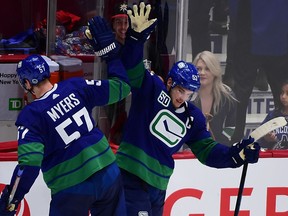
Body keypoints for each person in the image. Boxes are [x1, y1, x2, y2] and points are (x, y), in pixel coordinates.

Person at [111, 2, 260, 215]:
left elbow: (208, 151)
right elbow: (133, 70)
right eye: (180, 90)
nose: (183, 97)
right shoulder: (151, 90)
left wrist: (236, 155)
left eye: (189, 92)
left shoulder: (193, 117)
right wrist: (135, 41)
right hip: (130, 176)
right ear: (170, 83)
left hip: (158, 185)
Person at [0, 16, 130, 216]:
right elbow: (121, 88)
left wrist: (11, 200)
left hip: (72, 187)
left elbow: (30, 164)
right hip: (108, 171)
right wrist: (111, 53)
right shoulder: (76, 86)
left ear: (26, 84)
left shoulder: (31, 116)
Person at [227, 0, 288, 144]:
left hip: (249, 34)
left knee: (242, 92)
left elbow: (235, 8)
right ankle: (283, 138)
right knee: (280, 93)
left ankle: (237, 138)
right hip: (278, 35)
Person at [193, 50, 237, 145]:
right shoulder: (187, 96)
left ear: (215, 71)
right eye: (198, 69)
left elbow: (230, 127)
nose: (202, 73)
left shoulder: (228, 97)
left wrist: (220, 146)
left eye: (207, 69)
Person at [259, 80, 288, 150]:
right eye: (282, 93)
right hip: (274, 157)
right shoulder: (273, 115)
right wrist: (266, 138)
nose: (283, 97)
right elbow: (259, 139)